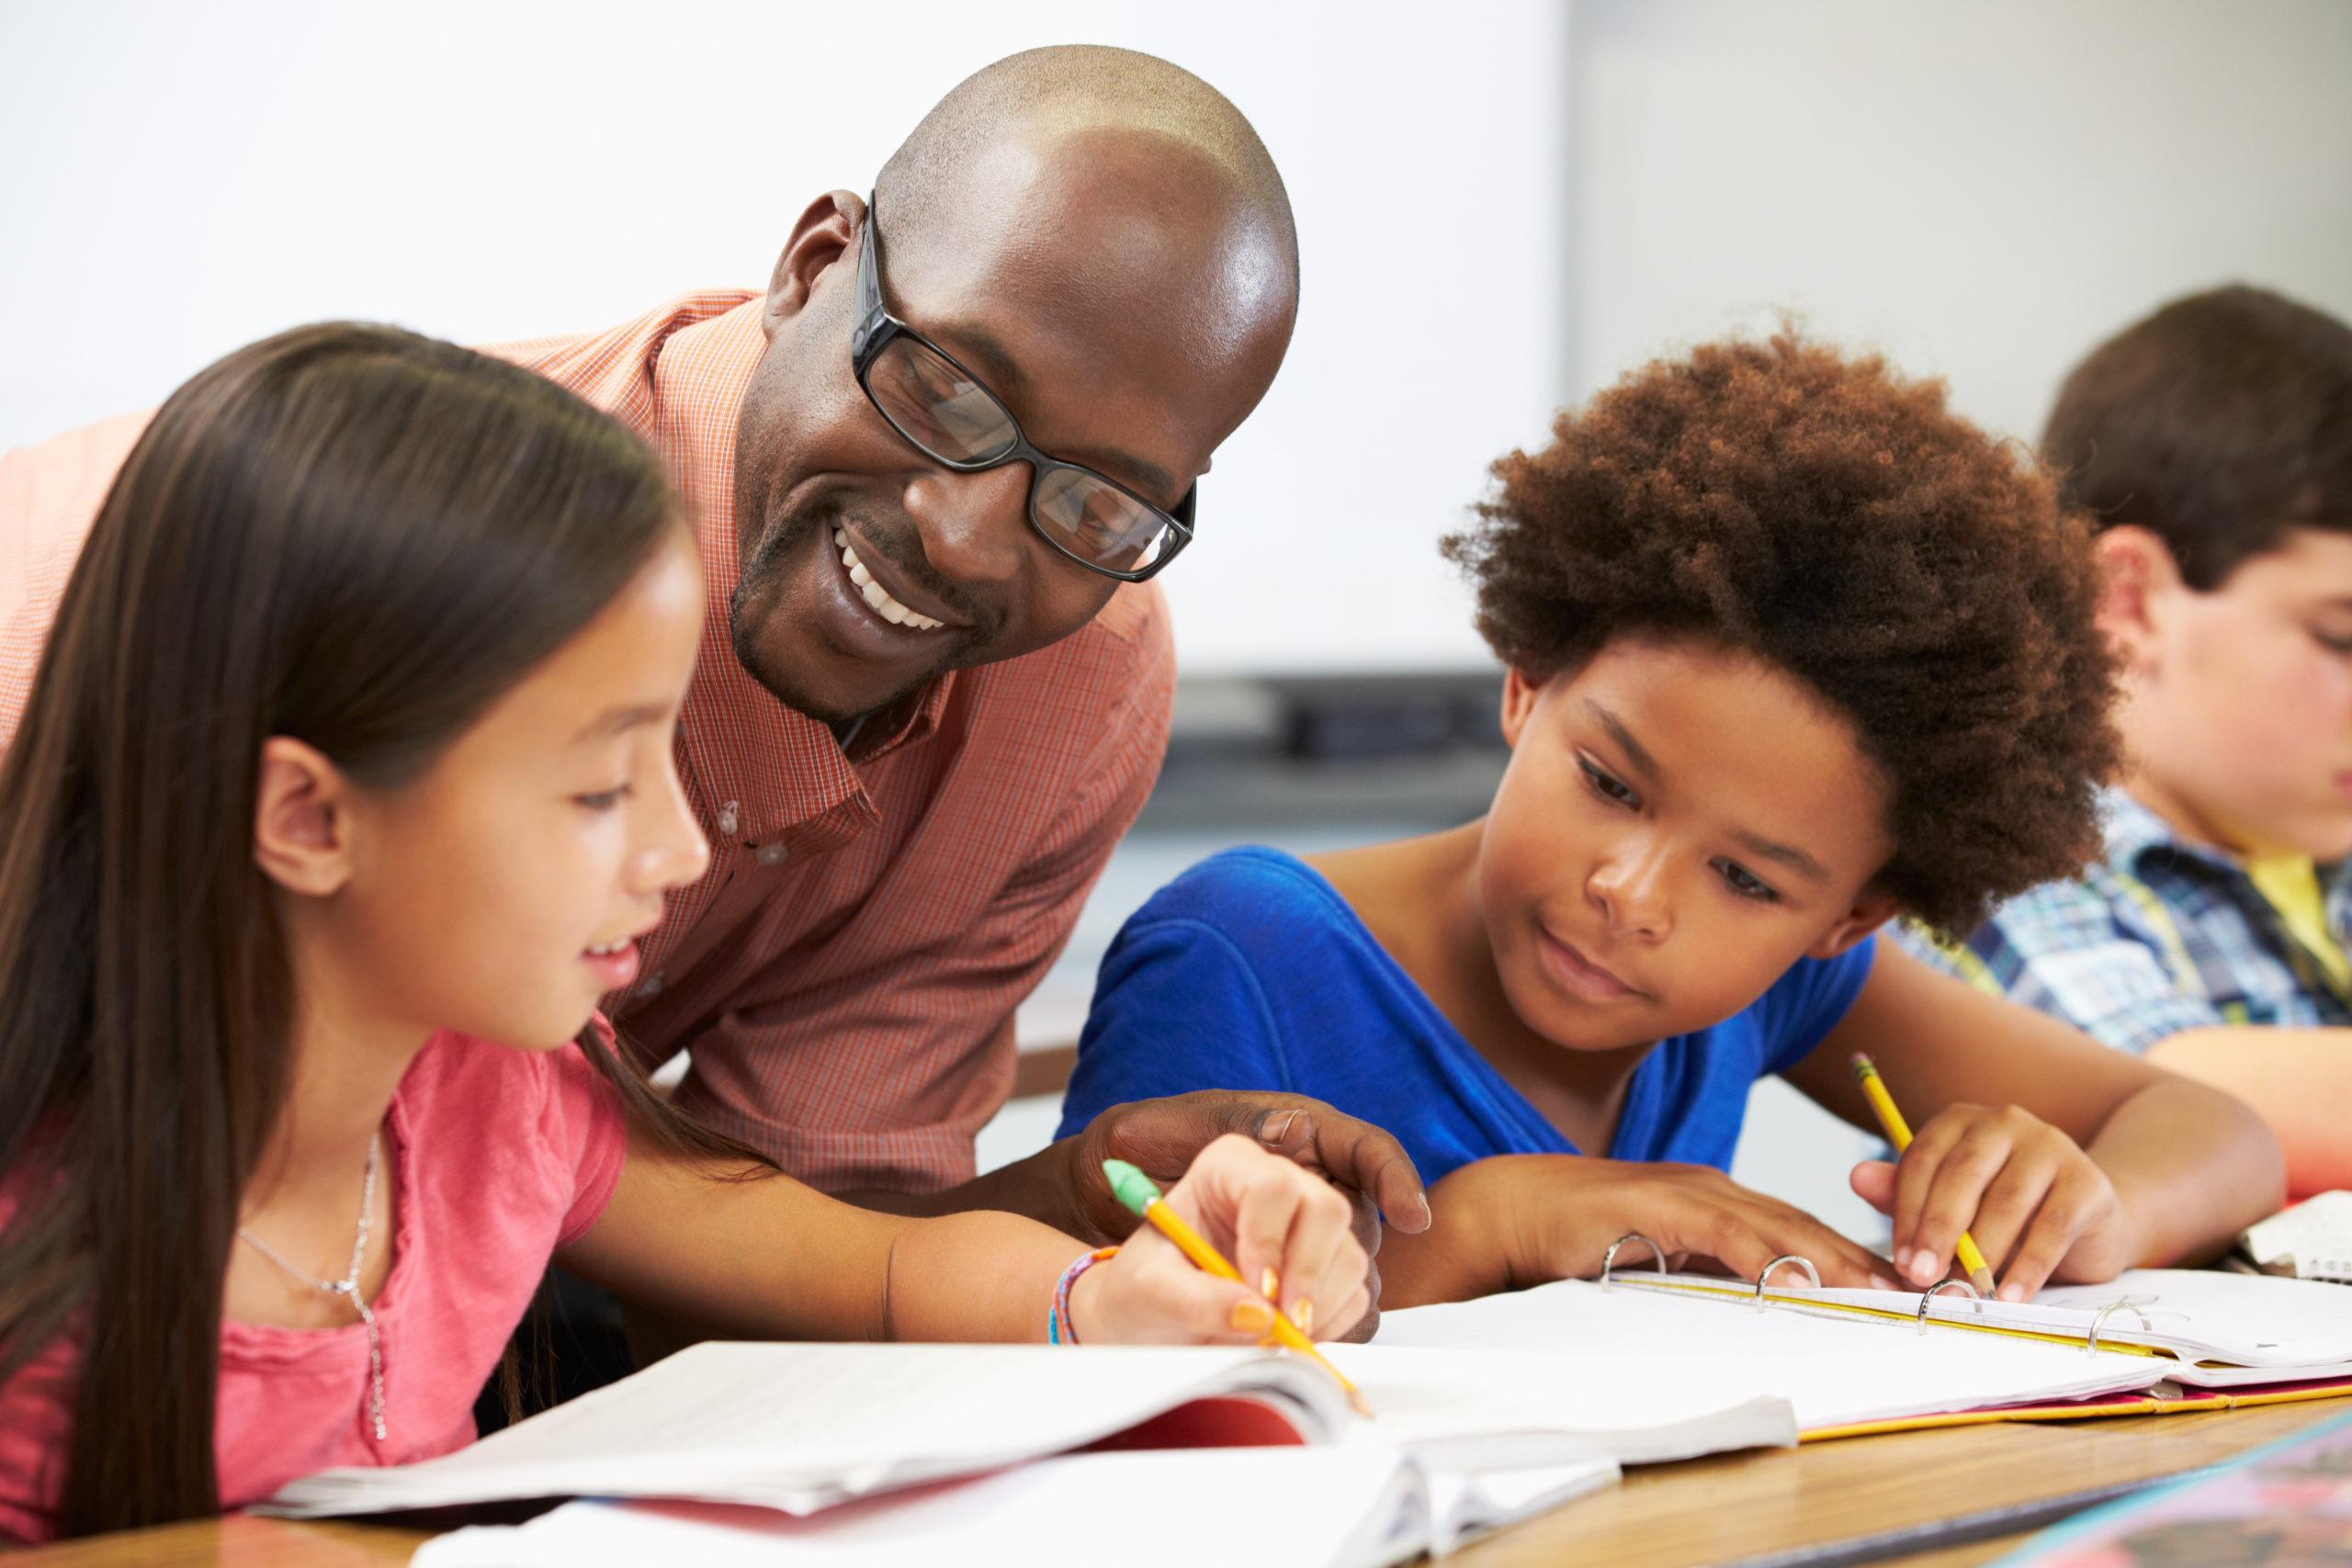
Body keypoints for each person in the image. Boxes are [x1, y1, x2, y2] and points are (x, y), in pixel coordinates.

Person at [0, 45, 1428, 1273]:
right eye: (943, 388)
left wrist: (1078, 1198)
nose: (967, 533)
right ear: (812, 271)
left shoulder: (1075, 686)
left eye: (1100, 500)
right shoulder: (276, 575)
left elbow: (792, 1246)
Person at [0, 324, 1370, 1543]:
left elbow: (876, 1266)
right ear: (306, 814)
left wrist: (1100, 1299)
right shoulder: (40, 1205)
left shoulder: (492, 1100)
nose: (680, 847)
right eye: (600, 786)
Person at [1058, 331, 2287, 1308]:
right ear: (1527, 680)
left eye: (1749, 879)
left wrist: (2093, 1203)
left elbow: (2215, 1128)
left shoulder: (1790, 983)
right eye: (1610, 781)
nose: (1633, 895)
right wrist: (1500, 1221)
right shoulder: (1243, 953)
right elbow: (1119, 1327)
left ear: (1848, 913)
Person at [1900, 287, 2352, 1200]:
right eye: (2340, 639)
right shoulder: (1999, 851)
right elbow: (2162, 1104)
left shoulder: (2312, 838)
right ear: (2129, 601)